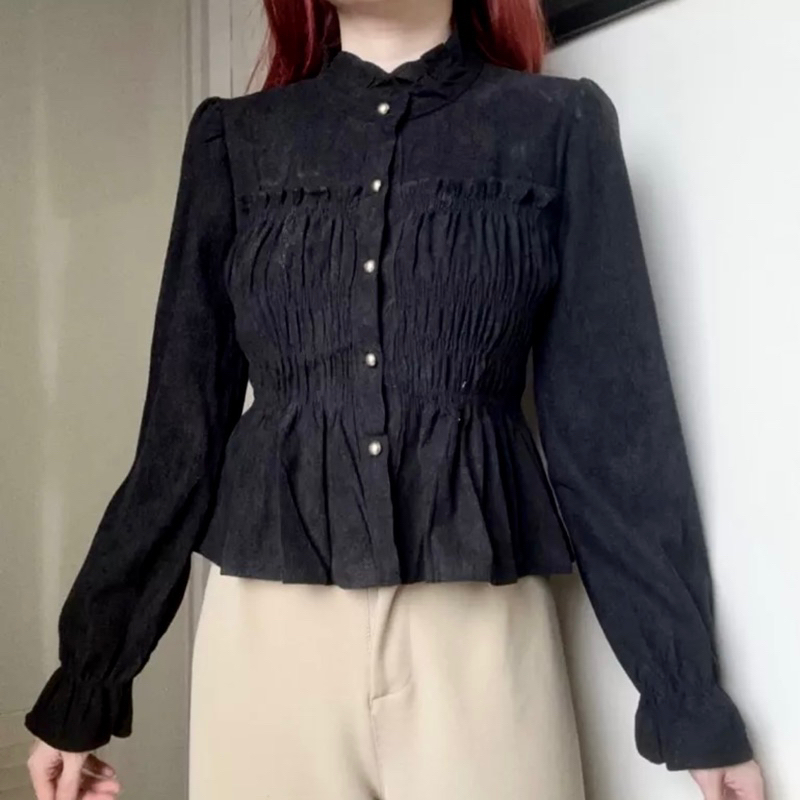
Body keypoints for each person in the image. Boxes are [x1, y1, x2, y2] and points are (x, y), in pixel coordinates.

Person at [25, 0, 767, 798]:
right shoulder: (234, 142)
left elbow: (614, 439)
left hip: (478, 640)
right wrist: (87, 682)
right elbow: (179, 441)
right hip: (269, 641)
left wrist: (689, 704)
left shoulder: (558, 126)